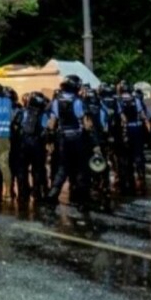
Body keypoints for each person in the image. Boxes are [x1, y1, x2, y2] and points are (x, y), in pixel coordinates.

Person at [45, 75, 96, 210]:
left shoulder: (56, 101)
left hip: (63, 138)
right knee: (81, 169)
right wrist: (92, 136)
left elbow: (51, 123)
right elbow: (86, 124)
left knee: (62, 168)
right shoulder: (78, 101)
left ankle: (52, 194)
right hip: (77, 138)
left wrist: (50, 139)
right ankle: (82, 202)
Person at [13, 92, 49, 206]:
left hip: (23, 144)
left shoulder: (22, 112)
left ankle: (22, 193)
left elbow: (15, 126)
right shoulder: (43, 114)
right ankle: (37, 193)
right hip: (37, 145)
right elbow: (46, 129)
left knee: (21, 170)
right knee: (37, 170)